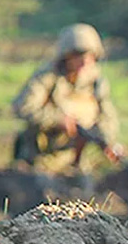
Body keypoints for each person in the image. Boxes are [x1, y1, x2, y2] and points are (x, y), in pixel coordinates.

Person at [12, 23, 120, 172]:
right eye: (78, 56)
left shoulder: (95, 82)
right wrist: (58, 120)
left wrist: (108, 141)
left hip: (75, 160)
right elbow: (23, 107)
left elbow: (107, 115)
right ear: (66, 56)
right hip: (39, 159)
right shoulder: (48, 77)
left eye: (89, 57)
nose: (84, 62)